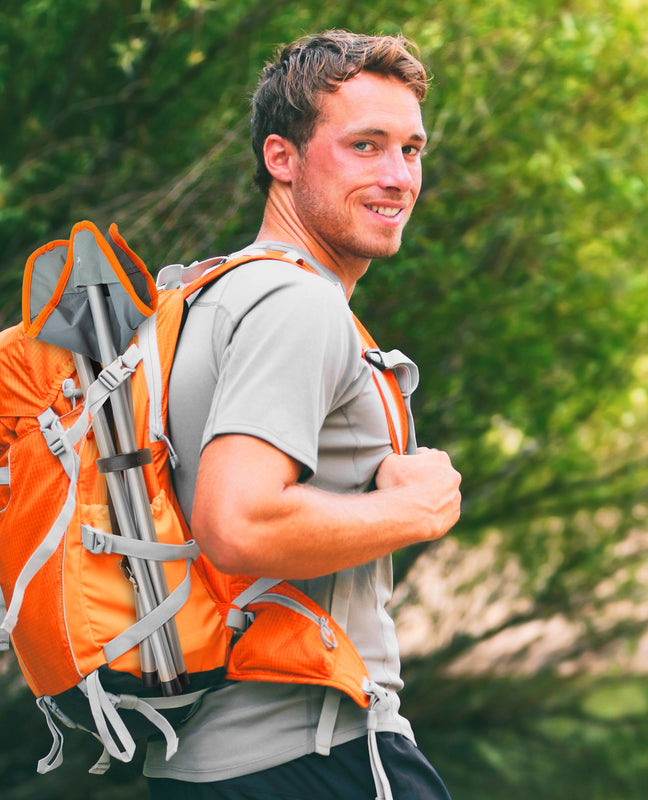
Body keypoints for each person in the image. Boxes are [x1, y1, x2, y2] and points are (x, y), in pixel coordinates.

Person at [143, 29, 462, 800]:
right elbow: (238, 524)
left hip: (204, 762)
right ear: (281, 159)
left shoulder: (206, 294)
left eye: (411, 150)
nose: (397, 177)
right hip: (313, 753)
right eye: (365, 146)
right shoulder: (297, 303)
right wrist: (413, 510)